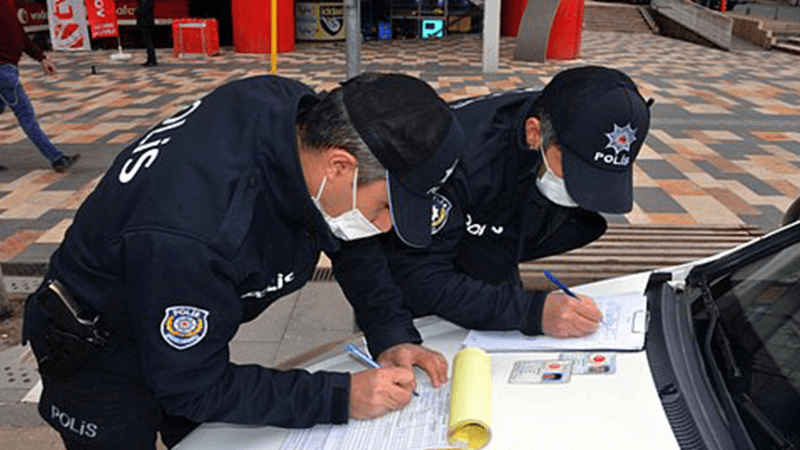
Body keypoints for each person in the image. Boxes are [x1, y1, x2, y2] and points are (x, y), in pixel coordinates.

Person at [22, 72, 463, 449]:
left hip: (175, 297)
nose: (385, 226)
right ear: (339, 166)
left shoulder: (296, 116)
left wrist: (390, 335)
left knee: (202, 433)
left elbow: (351, 240)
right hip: (102, 349)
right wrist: (340, 396)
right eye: (386, 206)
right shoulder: (198, 233)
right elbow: (193, 386)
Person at [383, 65, 652, 339]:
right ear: (534, 134)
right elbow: (419, 275)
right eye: (575, 170)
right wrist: (531, 312)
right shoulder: (459, 157)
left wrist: (518, 305)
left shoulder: (568, 119)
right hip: (407, 301)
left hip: (491, 264)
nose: (586, 189)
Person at [0, 0, 80, 172]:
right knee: (26, 115)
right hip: (4, 72)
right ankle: (57, 158)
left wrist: (41, 58)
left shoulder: (7, 5)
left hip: (6, 70)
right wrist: (41, 58)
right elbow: (21, 35)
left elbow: (20, 35)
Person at [137, 0, 157, 67]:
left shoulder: (145, 1)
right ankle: (150, 59)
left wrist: (137, 11)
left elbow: (143, 10)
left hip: (146, 22)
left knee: (148, 42)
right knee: (148, 42)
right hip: (147, 21)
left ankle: (152, 60)